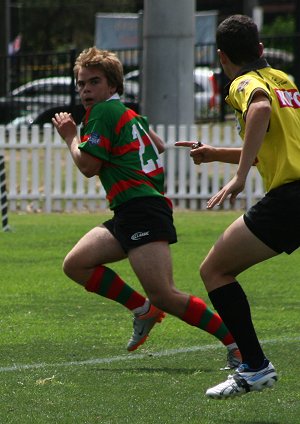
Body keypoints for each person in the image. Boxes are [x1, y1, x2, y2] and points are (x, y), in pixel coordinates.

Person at [51, 46, 241, 368]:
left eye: (94, 82)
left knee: (166, 294)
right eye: (81, 84)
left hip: (142, 210)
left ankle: (238, 345)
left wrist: (70, 135)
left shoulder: (101, 114)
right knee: (76, 264)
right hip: (129, 209)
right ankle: (144, 311)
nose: (85, 90)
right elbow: (159, 145)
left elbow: (89, 167)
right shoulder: (126, 113)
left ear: (112, 86)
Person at [176, 14, 300, 398]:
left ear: (221, 57)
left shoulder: (243, 83)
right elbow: (275, 144)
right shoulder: (287, 82)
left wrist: (241, 176)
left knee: (214, 270)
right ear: (261, 49)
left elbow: (259, 112)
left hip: (290, 198)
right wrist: (216, 155)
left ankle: (255, 367)